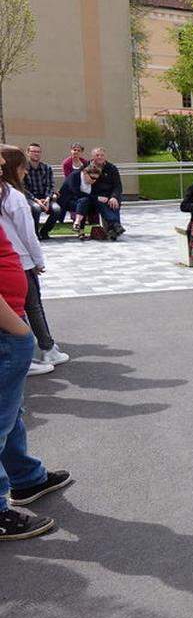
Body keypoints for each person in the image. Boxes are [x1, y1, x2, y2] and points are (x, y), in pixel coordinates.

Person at [0, 214, 72, 540]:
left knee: (9, 411)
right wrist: (19, 332)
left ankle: (26, 477)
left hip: (9, 325)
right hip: (6, 330)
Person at [0, 146, 67, 373]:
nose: (26, 173)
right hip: (18, 262)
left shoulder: (7, 196)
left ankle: (35, 351)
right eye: (23, 168)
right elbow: (28, 235)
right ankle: (41, 351)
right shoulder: (14, 197)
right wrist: (38, 261)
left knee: (14, 309)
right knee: (30, 307)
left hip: (10, 261)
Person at [73, 149, 124, 240]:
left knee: (114, 203)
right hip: (94, 197)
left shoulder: (112, 168)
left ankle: (113, 228)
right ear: (93, 157)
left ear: (105, 156)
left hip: (109, 196)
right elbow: (79, 181)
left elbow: (118, 186)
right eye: (97, 155)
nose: (99, 157)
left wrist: (114, 197)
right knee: (101, 202)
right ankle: (115, 225)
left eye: (102, 155)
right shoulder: (87, 166)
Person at [22, 144, 60, 240]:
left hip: (45, 198)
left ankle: (44, 232)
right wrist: (36, 200)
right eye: (33, 151)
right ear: (28, 153)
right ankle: (34, 234)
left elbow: (50, 185)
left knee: (56, 209)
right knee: (36, 208)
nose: (36, 154)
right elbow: (22, 188)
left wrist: (47, 198)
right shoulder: (23, 169)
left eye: (38, 152)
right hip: (30, 198)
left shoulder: (47, 168)